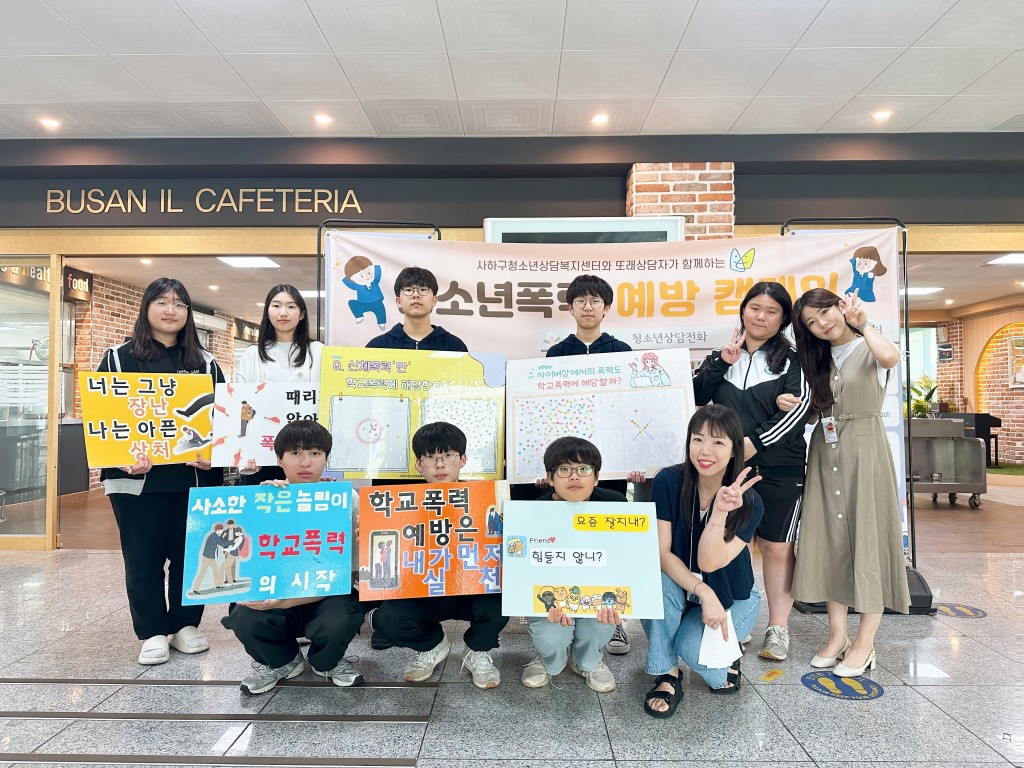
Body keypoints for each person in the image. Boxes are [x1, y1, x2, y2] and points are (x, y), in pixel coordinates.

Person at [98, 277, 225, 666]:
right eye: (162, 302)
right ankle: (152, 630)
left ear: (188, 313)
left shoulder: (205, 363)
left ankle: (185, 624)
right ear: (146, 308)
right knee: (143, 559)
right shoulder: (118, 358)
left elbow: (224, 421)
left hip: (194, 479)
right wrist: (121, 455)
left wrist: (216, 455)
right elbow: (103, 416)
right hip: (137, 481)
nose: (171, 310)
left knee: (192, 556)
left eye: (180, 304)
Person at [789, 288, 910, 677]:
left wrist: (864, 324)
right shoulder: (816, 361)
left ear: (841, 307)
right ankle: (837, 635)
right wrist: (795, 406)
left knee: (868, 539)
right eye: (811, 322)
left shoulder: (868, 345)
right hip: (825, 454)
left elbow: (890, 358)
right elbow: (814, 414)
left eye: (825, 312)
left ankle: (865, 642)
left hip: (865, 451)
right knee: (830, 542)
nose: (822, 324)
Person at [692, 281, 809, 661]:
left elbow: (799, 411)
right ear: (743, 310)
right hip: (728, 472)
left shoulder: (794, 360)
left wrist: (750, 444)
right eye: (754, 308)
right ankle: (737, 623)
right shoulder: (722, 355)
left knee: (776, 548)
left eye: (771, 311)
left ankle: (778, 628)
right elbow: (692, 395)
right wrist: (721, 363)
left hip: (780, 468)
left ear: (783, 319)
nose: (761, 316)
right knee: (730, 547)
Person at [222, 420, 367, 694]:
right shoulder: (264, 497)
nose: (305, 462)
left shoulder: (347, 499)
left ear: (326, 458)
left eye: (315, 453)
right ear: (279, 459)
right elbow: (244, 561)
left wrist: (287, 601)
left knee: (342, 616)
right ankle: (283, 662)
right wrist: (260, 506)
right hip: (275, 594)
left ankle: (327, 662)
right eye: (295, 453)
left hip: (325, 596)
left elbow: (346, 577)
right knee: (244, 614)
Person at [642, 405, 763, 718]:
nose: (705, 450)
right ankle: (667, 674)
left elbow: (709, 563)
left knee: (699, 658)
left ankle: (728, 656)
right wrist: (702, 591)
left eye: (718, 442)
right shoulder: (669, 481)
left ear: (734, 449)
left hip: (731, 597)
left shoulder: (749, 501)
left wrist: (720, 512)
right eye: (698, 439)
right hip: (684, 588)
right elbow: (662, 553)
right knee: (657, 581)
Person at [541, 274, 640, 655]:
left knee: (606, 539)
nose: (588, 306)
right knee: (566, 537)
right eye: (580, 300)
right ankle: (561, 610)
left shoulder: (622, 351)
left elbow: (631, 409)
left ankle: (612, 621)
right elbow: (546, 410)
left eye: (595, 300)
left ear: (606, 308)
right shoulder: (557, 354)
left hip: (609, 465)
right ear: (570, 308)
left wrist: (636, 460)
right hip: (569, 464)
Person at [367, 422, 507, 688]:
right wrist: (368, 539)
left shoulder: (485, 499)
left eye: (448, 456)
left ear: (462, 459)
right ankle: (432, 645)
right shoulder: (398, 503)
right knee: (388, 619)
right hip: (422, 589)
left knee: (499, 604)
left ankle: (478, 650)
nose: (440, 464)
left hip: (470, 588)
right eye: (430, 457)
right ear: (419, 464)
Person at [521, 436, 624, 693]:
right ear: (550, 477)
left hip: (596, 592)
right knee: (550, 634)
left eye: (584, 469)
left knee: (602, 622)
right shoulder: (532, 512)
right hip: (551, 596)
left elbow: (628, 560)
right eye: (564, 469)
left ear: (596, 477)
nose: (575, 477)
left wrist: (624, 598)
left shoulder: (616, 506)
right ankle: (548, 660)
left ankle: (588, 661)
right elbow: (523, 570)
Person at [235, 284, 324, 484]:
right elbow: (241, 404)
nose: (283, 313)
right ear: (267, 312)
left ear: (302, 314)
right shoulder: (253, 354)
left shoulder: (318, 351)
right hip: (261, 454)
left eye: (291, 307)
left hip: (305, 456)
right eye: (276, 306)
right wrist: (245, 455)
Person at [366, 267, 468, 351]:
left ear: (434, 300)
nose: (415, 295)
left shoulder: (455, 347)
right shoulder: (377, 347)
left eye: (423, 289)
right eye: (408, 290)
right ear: (398, 301)